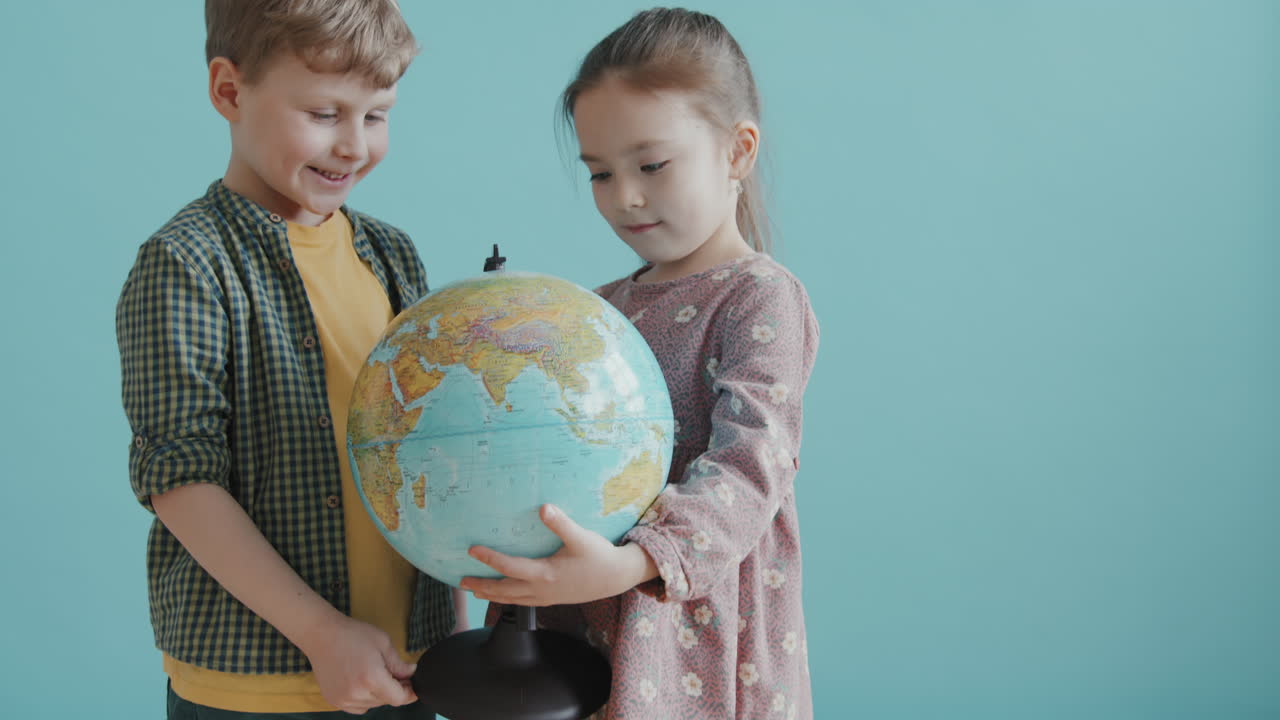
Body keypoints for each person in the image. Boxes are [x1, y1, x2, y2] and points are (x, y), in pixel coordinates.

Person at [461, 8, 819, 719]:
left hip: (691, 634)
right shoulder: (595, 311)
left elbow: (752, 466)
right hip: (577, 618)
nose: (624, 195)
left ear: (738, 150)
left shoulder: (760, 297)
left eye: (652, 165)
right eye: (599, 173)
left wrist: (632, 565)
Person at [115, 1, 465, 716]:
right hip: (254, 684)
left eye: (376, 115)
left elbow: (425, 452)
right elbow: (180, 476)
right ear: (229, 91)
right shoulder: (187, 263)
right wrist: (322, 633)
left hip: (404, 666)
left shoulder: (392, 255)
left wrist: (454, 627)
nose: (354, 146)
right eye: (324, 113)